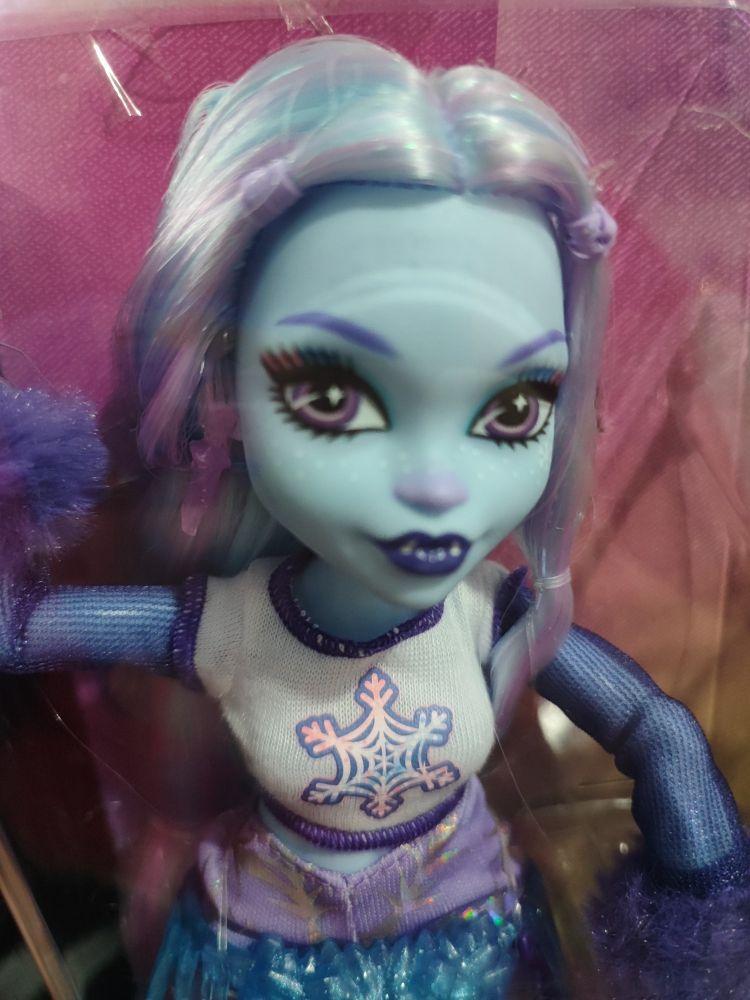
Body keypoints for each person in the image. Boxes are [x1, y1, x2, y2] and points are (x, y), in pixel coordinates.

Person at [1, 35, 747, 1000]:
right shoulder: (229, 623)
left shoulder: (492, 613)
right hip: (269, 954)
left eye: (512, 410)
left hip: (467, 937)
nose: (437, 487)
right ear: (222, 388)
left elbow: (652, 724)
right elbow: (27, 630)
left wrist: (700, 904)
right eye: (333, 399)